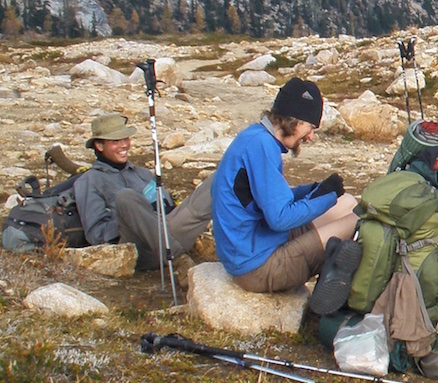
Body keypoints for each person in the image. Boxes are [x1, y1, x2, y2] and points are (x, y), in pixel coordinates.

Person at [211, 78, 361, 314]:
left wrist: (313, 190)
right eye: (310, 128)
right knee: (357, 221)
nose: (310, 137)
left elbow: (267, 199)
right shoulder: (262, 147)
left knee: (348, 203)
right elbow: (279, 218)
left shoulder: (256, 137)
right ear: (295, 120)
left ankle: (332, 273)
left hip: (258, 243)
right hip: (257, 267)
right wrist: (325, 197)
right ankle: (334, 291)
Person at [74, 112, 215, 272]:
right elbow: (96, 233)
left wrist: (154, 218)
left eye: (125, 139)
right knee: (125, 197)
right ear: (99, 146)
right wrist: (135, 220)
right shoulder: (88, 181)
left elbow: (169, 208)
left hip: (169, 231)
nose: (124, 145)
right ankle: (177, 258)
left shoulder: (142, 173)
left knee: (217, 180)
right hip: (138, 248)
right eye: (115, 141)